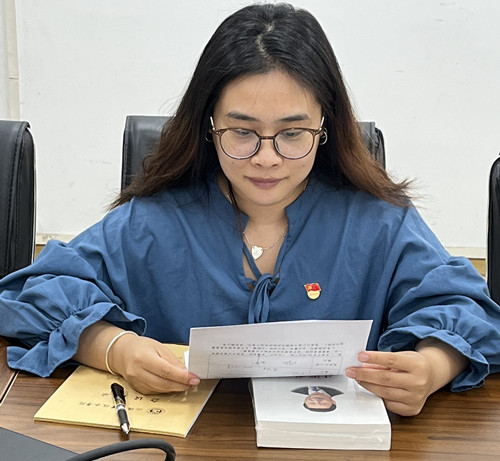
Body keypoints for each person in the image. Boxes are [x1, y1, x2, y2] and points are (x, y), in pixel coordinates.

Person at [0, 3, 499, 418]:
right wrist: (113, 347)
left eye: (292, 133)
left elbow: (467, 310)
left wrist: (433, 367)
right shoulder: (152, 222)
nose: (266, 157)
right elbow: (32, 295)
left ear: (325, 127)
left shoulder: (380, 223)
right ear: (208, 125)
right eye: (242, 131)